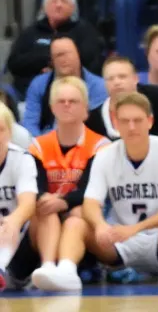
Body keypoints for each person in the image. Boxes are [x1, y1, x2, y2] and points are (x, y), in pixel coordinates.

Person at [67, 93, 158, 291]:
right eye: (125, 121)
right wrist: (100, 226)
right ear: (116, 124)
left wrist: (137, 228)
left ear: (150, 121)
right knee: (76, 220)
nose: (132, 127)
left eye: (137, 120)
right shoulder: (104, 155)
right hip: (118, 241)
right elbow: (91, 202)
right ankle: (65, 272)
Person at [28, 77, 109, 293]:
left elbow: (91, 189)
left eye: (73, 101)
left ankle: (67, 271)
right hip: (47, 219)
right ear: (52, 107)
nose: (66, 105)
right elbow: (34, 185)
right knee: (42, 209)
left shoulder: (100, 145)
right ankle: (47, 267)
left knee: (81, 212)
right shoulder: (38, 145)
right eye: (61, 101)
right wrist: (45, 199)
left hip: (80, 216)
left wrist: (62, 202)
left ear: (85, 107)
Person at [86, 55, 158, 143]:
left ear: (135, 79)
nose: (116, 82)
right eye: (110, 78)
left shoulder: (157, 97)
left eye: (122, 76)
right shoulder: (94, 120)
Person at [0, 103, 37, 287]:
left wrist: (13, 221)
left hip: (19, 237)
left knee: (41, 213)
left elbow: (28, 203)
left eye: (0, 130)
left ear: (10, 133)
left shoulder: (22, 158)